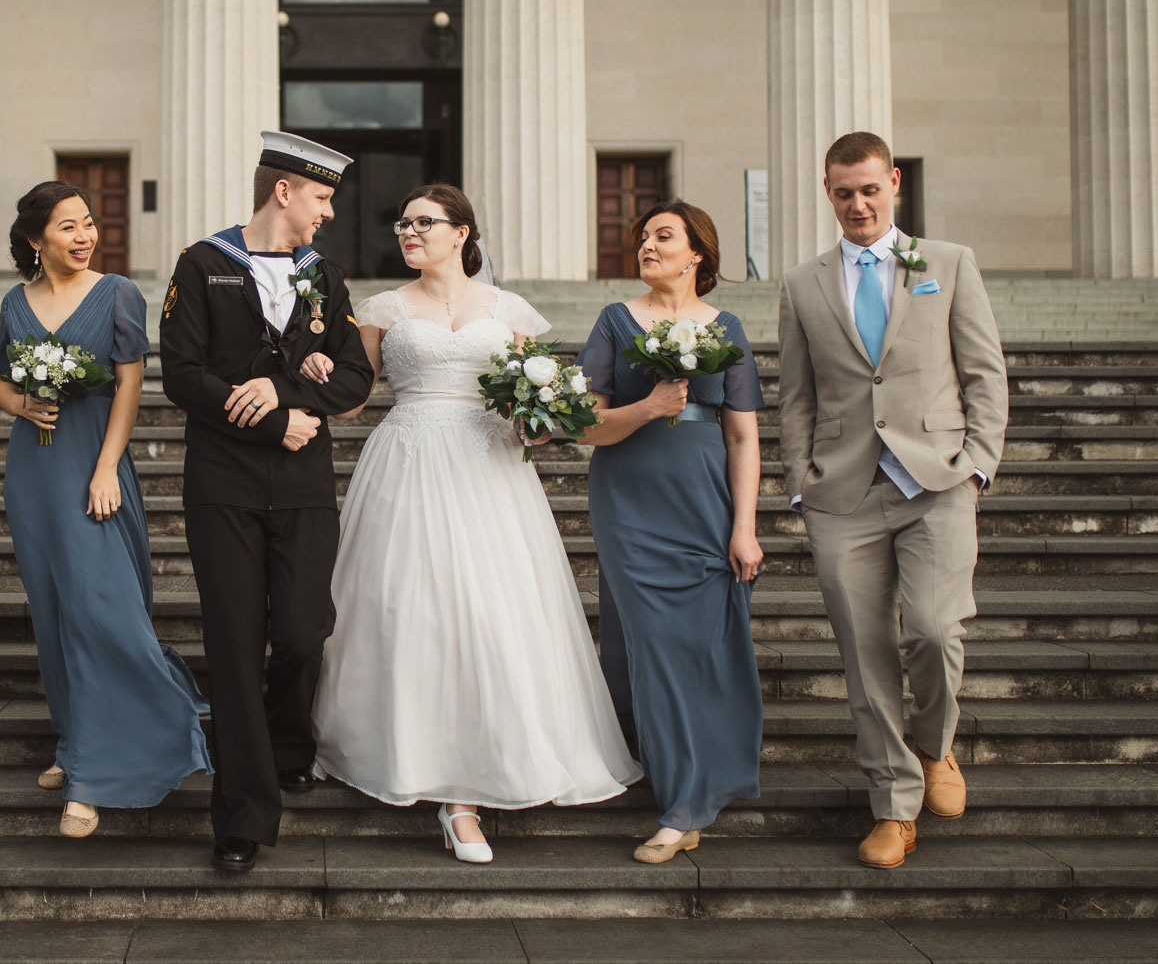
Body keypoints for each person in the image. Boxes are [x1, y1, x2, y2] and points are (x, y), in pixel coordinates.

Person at [312, 184, 640, 865]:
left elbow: (532, 397)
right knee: (409, 612)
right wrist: (314, 371)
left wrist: (541, 420)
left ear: (461, 232)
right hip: (407, 460)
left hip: (490, 468)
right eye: (402, 222)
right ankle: (408, 760)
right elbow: (352, 398)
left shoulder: (508, 309)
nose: (408, 231)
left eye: (422, 222)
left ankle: (477, 779)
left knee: (494, 613)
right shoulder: (381, 307)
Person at [777, 131, 1008, 868]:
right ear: (827, 191)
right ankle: (893, 805)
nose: (858, 204)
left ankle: (937, 745)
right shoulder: (803, 283)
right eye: (843, 191)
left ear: (894, 183)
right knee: (865, 653)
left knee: (936, 631)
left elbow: (984, 373)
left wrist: (977, 465)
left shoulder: (948, 263)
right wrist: (799, 483)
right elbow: (796, 397)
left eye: (870, 189)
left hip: (936, 481)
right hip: (842, 493)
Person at [158, 131, 375, 874]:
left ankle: (287, 748)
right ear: (283, 191)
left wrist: (287, 390)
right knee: (234, 638)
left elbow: (352, 378)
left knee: (306, 631)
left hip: (304, 485)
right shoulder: (204, 263)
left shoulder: (327, 275)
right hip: (223, 481)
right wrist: (273, 418)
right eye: (320, 198)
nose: (327, 215)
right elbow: (182, 374)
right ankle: (242, 814)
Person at [0, 182, 211, 839]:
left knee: (101, 607)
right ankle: (76, 741)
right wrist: (21, 404)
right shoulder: (12, 301)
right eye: (67, 226)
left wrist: (108, 466)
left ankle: (95, 774)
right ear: (36, 240)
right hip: (33, 470)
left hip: (96, 464)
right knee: (55, 610)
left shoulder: (117, 291)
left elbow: (130, 384)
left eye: (88, 223)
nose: (85, 235)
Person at [578, 201, 765, 863]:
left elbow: (742, 432)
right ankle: (681, 802)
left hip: (705, 497)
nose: (647, 246)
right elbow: (586, 425)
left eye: (663, 236)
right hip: (629, 497)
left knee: (701, 641)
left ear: (697, 255)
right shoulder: (614, 321)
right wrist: (649, 406)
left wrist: (744, 526)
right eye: (643, 238)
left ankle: (698, 780)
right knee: (652, 640)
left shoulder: (728, 326)